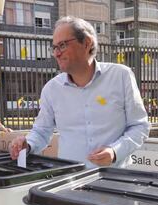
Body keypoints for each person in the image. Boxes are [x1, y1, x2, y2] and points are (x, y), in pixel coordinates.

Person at [10, 16, 150, 168]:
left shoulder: (121, 76)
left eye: (62, 45)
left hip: (115, 180)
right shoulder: (51, 89)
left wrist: (115, 151)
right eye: (55, 47)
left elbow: (139, 126)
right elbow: (42, 130)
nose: (56, 53)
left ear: (87, 43)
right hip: (70, 180)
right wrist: (28, 144)